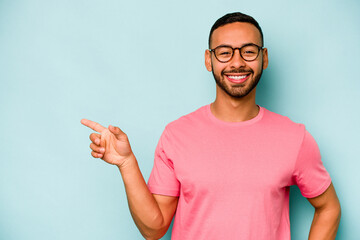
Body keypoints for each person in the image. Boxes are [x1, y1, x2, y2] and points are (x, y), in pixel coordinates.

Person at [81, 12, 341, 240]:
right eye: (225, 52)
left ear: (264, 58)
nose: (237, 62)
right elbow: (154, 229)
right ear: (209, 60)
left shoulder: (294, 138)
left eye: (248, 51)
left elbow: (329, 207)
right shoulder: (176, 135)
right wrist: (127, 164)